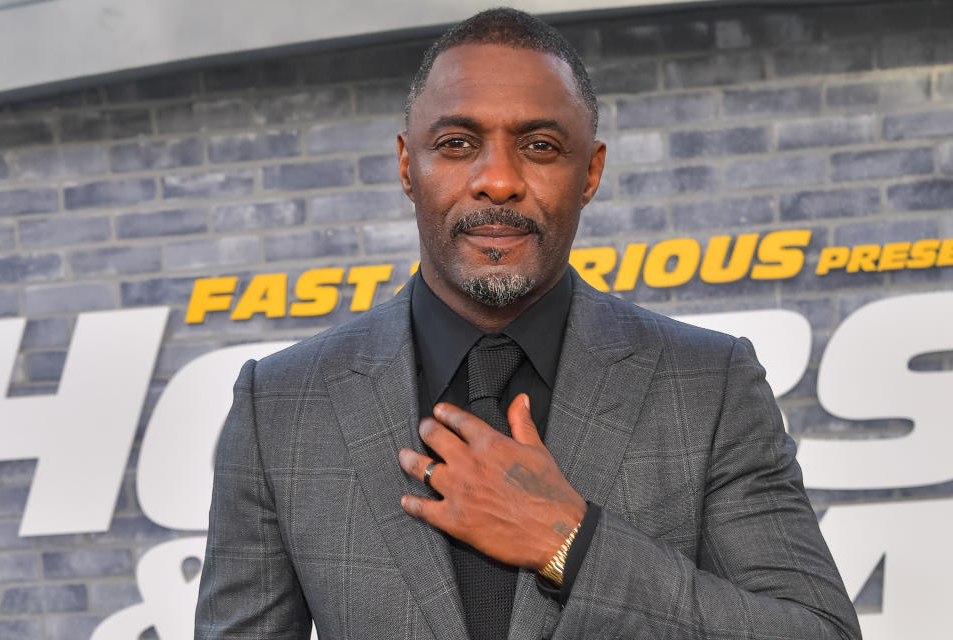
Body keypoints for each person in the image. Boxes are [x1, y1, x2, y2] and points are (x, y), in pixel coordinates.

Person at [195, 8, 860, 640]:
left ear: (590, 172)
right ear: (407, 165)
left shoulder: (708, 386)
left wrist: (570, 542)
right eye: (457, 143)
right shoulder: (279, 407)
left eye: (539, 145)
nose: (498, 180)